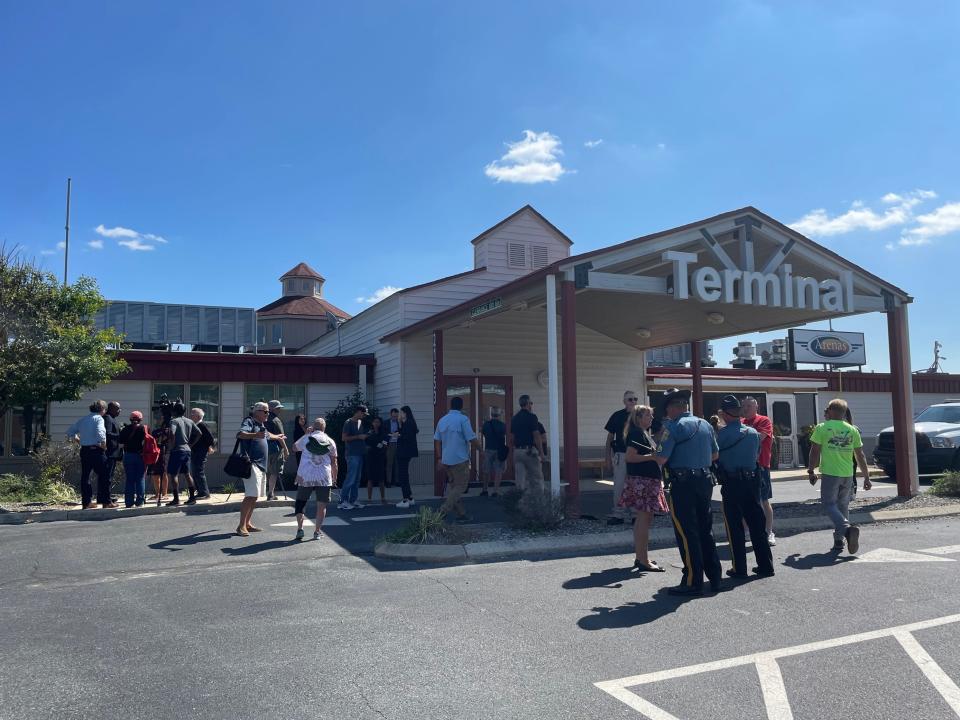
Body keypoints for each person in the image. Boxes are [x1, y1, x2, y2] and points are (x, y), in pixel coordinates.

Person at [655, 388, 723, 596]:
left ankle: (693, 580)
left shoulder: (672, 428)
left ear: (672, 408)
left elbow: (661, 458)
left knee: (687, 532)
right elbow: (715, 455)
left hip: (683, 483)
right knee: (705, 529)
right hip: (704, 481)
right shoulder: (704, 424)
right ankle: (715, 576)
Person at [715, 395, 775, 579]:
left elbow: (715, 457)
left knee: (735, 527)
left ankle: (739, 568)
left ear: (725, 414)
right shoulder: (752, 433)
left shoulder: (722, 435)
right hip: (752, 481)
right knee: (757, 525)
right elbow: (757, 454)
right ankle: (766, 566)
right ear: (739, 411)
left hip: (732, 483)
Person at [807, 398, 871, 554]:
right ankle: (839, 540)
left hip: (830, 472)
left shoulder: (822, 428)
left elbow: (815, 451)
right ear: (844, 413)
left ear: (830, 411)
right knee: (843, 506)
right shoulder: (852, 429)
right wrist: (866, 477)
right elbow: (860, 455)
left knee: (828, 504)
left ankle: (846, 530)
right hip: (848, 474)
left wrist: (811, 470)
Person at [620, 404, 669, 572]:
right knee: (643, 519)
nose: (651, 418)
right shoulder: (636, 433)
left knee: (644, 519)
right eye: (648, 416)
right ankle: (643, 560)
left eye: (651, 415)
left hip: (647, 480)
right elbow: (629, 457)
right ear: (638, 418)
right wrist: (652, 456)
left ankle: (641, 557)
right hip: (643, 481)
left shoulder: (643, 434)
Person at [235, 402, 284, 537]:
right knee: (250, 495)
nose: (268, 414)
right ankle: (241, 526)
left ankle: (248, 524)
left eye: (268, 411)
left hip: (260, 465)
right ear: (257, 411)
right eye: (265, 411)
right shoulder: (249, 421)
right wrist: (255, 435)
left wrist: (278, 437)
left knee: (255, 496)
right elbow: (240, 434)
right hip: (252, 463)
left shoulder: (261, 425)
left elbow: (268, 435)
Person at [435, 396, 481, 523]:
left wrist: (439, 458)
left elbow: (437, 441)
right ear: (461, 406)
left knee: (454, 487)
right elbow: (471, 438)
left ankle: (461, 513)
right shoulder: (463, 419)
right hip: (460, 459)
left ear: (451, 405)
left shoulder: (442, 420)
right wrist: (480, 449)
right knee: (460, 487)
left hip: (446, 459)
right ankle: (442, 511)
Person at [293, 417, 338, 540]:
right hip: (323, 476)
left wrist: (305, 434)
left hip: (305, 475)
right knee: (321, 505)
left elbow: (294, 448)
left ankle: (300, 529)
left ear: (313, 426)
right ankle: (317, 532)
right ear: (324, 427)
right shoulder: (330, 441)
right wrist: (334, 477)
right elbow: (334, 462)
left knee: (301, 502)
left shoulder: (307, 438)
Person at [67, 400, 117, 509]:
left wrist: (78, 440)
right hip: (96, 450)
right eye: (105, 410)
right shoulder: (98, 418)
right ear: (102, 409)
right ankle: (106, 502)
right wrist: (103, 444)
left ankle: (86, 502)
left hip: (85, 450)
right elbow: (100, 432)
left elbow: (70, 431)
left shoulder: (83, 419)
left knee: (86, 476)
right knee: (105, 475)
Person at [742, 396, 776, 547]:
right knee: (745, 501)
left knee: (763, 500)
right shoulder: (741, 422)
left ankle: (768, 532)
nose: (746, 408)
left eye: (749, 406)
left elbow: (759, 438)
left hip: (761, 466)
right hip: (744, 467)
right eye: (744, 406)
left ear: (756, 407)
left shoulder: (763, 420)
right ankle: (746, 531)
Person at [604, 391, 640, 525]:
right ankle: (618, 514)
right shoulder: (617, 416)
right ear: (624, 401)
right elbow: (609, 438)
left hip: (637, 455)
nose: (633, 402)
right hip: (621, 454)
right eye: (630, 399)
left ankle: (636, 514)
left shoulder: (641, 415)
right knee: (619, 486)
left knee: (636, 485)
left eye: (635, 399)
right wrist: (607, 458)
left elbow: (656, 431)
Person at [165, 402, 199, 507]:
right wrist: (191, 444)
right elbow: (199, 433)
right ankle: (192, 498)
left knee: (173, 474)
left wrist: (172, 445)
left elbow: (172, 433)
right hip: (187, 449)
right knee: (187, 474)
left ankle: (176, 499)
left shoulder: (174, 421)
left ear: (174, 411)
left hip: (177, 450)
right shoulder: (189, 421)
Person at [510, 395, 544, 492]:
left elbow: (512, 438)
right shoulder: (532, 417)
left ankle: (520, 501)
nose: (531, 405)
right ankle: (538, 501)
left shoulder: (514, 418)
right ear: (528, 403)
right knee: (537, 477)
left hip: (517, 451)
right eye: (531, 403)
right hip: (529, 451)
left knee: (520, 479)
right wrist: (541, 453)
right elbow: (536, 435)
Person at [340, 405, 369, 510]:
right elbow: (343, 438)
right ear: (357, 412)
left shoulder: (360, 423)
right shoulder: (348, 422)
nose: (364, 416)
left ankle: (353, 500)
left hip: (360, 453)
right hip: (352, 454)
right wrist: (358, 437)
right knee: (350, 478)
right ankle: (343, 500)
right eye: (363, 413)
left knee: (357, 479)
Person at [118, 411, 147, 508]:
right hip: (140, 455)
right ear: (140, 419)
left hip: (128, 455)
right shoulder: (144, 428)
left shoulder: (125, 429)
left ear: (130, 419)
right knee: (140, 478)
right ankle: (140, 501)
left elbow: (120, 442)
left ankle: (129, 502)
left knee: (130, 479)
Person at [189, 408, 216, 500]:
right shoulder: (196, 425)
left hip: (200, 452)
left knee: (199, 472)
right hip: (195, 452)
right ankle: (200, 492)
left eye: (193, 413)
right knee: (195, 472)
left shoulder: (202, 425)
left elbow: (210, 438)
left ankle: (205, 493)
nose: (191, 415)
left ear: (198, 416)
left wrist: (209, 447)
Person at [265, 400, 290, 501]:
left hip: (264, 449)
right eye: (278, 408)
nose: (280, 410)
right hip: (275, 450)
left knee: (268, 471)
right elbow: (281, 437)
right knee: (274, 472)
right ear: (272, 408)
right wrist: (285, 449)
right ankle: (271, 493)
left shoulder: (263, 419)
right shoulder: (276, 420)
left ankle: (269, 491)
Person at [395, 406, 419, 508]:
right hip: (406, 452)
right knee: (404, 475)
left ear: (405, 413)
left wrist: (398, 435)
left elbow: (406, 437)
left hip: (404, 452)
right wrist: (400, 425)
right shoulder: (408, 423)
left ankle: (405, 500)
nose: (399, 414)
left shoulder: (408, 423)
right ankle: (410, 498)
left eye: (401, 412)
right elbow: (405, 434)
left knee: (403, 476)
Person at [480, 408, 507, 496]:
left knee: (486, 470)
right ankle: (495, 491)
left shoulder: (486, 425)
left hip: (488, 449)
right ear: (499, 415)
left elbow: (483, 433)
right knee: (498, 471)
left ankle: (484, 490)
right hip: (499, 450)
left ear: (491, 415)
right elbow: (505, 435)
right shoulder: (503, 425)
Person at [365, 416, 389, 504]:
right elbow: (366, 444)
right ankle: (369, 499)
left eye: (378, 422)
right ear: (372, 423)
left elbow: (386, 444)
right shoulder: (369, 433)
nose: (376, 423)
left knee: (381, 479)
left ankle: (383, 498)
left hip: (380, 457)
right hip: (371, 457)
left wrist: (382, 446)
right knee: (370, 479)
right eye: (374, 422)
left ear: (380, 423)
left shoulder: (384, 433)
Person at [103, 401, 123, 501]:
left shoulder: (112, 419)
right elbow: (108, 433)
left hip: (113, 452)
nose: (120, 410)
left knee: (109, 476)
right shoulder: (108, 418)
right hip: (109, 452)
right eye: (118, 408)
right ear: (111, 409)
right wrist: (120, 436)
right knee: (108, 476)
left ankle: (107, 496)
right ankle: (106, 498)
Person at [386, 408, 401, 487]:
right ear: (391, 415)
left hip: (398, 444)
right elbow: (384, 433)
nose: (395, 418)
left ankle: (397, 481)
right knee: (389, 463)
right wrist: (391, 434)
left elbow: (402, 432)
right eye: (394, 416)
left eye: (396, 416)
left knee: (398, 463)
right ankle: (388, 481)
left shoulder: (400, 423)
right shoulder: (386, 423)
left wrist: (398, 434)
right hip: (390, 444)